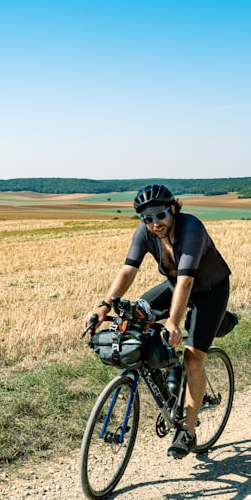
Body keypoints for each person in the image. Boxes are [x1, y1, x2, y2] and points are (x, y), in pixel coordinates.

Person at [84, 184, 231, 459]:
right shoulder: (145, 232)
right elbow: (128, 269)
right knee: (136, 314)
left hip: (210, 291)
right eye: (147, 219)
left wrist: (173, 322)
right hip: (174, 285)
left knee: (193, 357)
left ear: (172, 209)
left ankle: (187, 430)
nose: (154, 223)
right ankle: (169, 373)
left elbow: (187, 281)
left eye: (159, 215)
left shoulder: (191, 229)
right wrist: (104, 306)